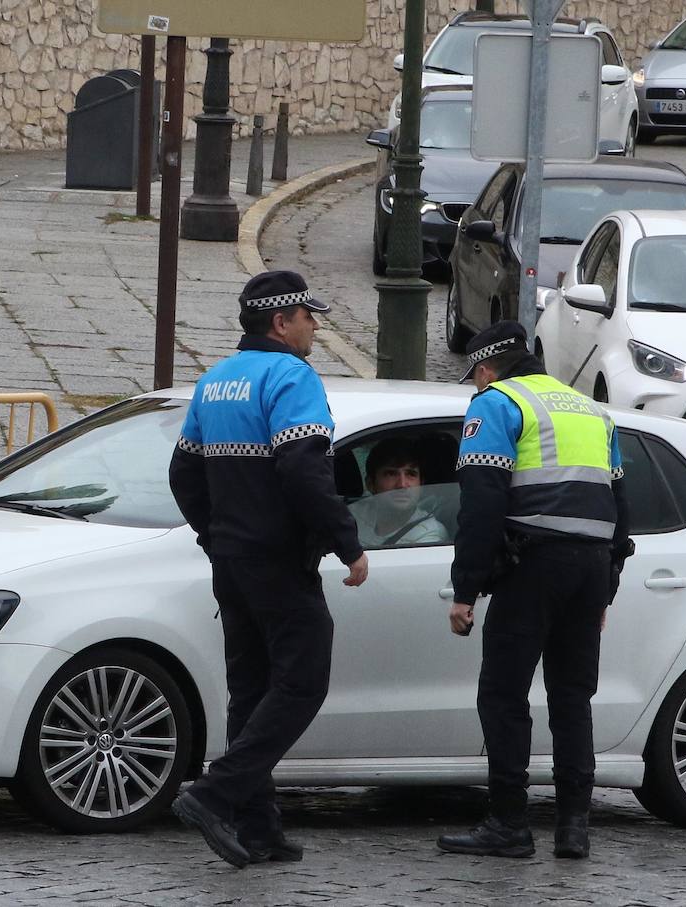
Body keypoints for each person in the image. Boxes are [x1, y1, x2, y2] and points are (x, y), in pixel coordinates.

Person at [167, 269, 370, 868]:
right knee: (303, 683)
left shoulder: (214, 381)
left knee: (251, 691)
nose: (314, 327)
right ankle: (214, 794)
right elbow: (304, 470)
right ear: (281, 323)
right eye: (309, 317)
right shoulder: (290, 376)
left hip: (231, 562)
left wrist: (215, 535)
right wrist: (348, 543)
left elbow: (183, 475)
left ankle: (259, 828)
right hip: (280, 560)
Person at [436, 320, 632, 861]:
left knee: (503, 694)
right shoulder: (589, 410)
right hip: (590, 568)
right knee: (573, 699)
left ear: (484, 367)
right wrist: (605, 593)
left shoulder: (497, 403)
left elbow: (480, 505)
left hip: (532, 565)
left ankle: (508, 823)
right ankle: (573, 828)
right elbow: (622, 511)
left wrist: (465, 590)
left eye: (475, 378)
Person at [348, 437, 450, 548]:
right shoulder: (352, 515)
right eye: (391, 474)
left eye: (411, 474)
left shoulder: (430, 533)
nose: (402, 484)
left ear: (421, 484)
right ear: (370, 484)